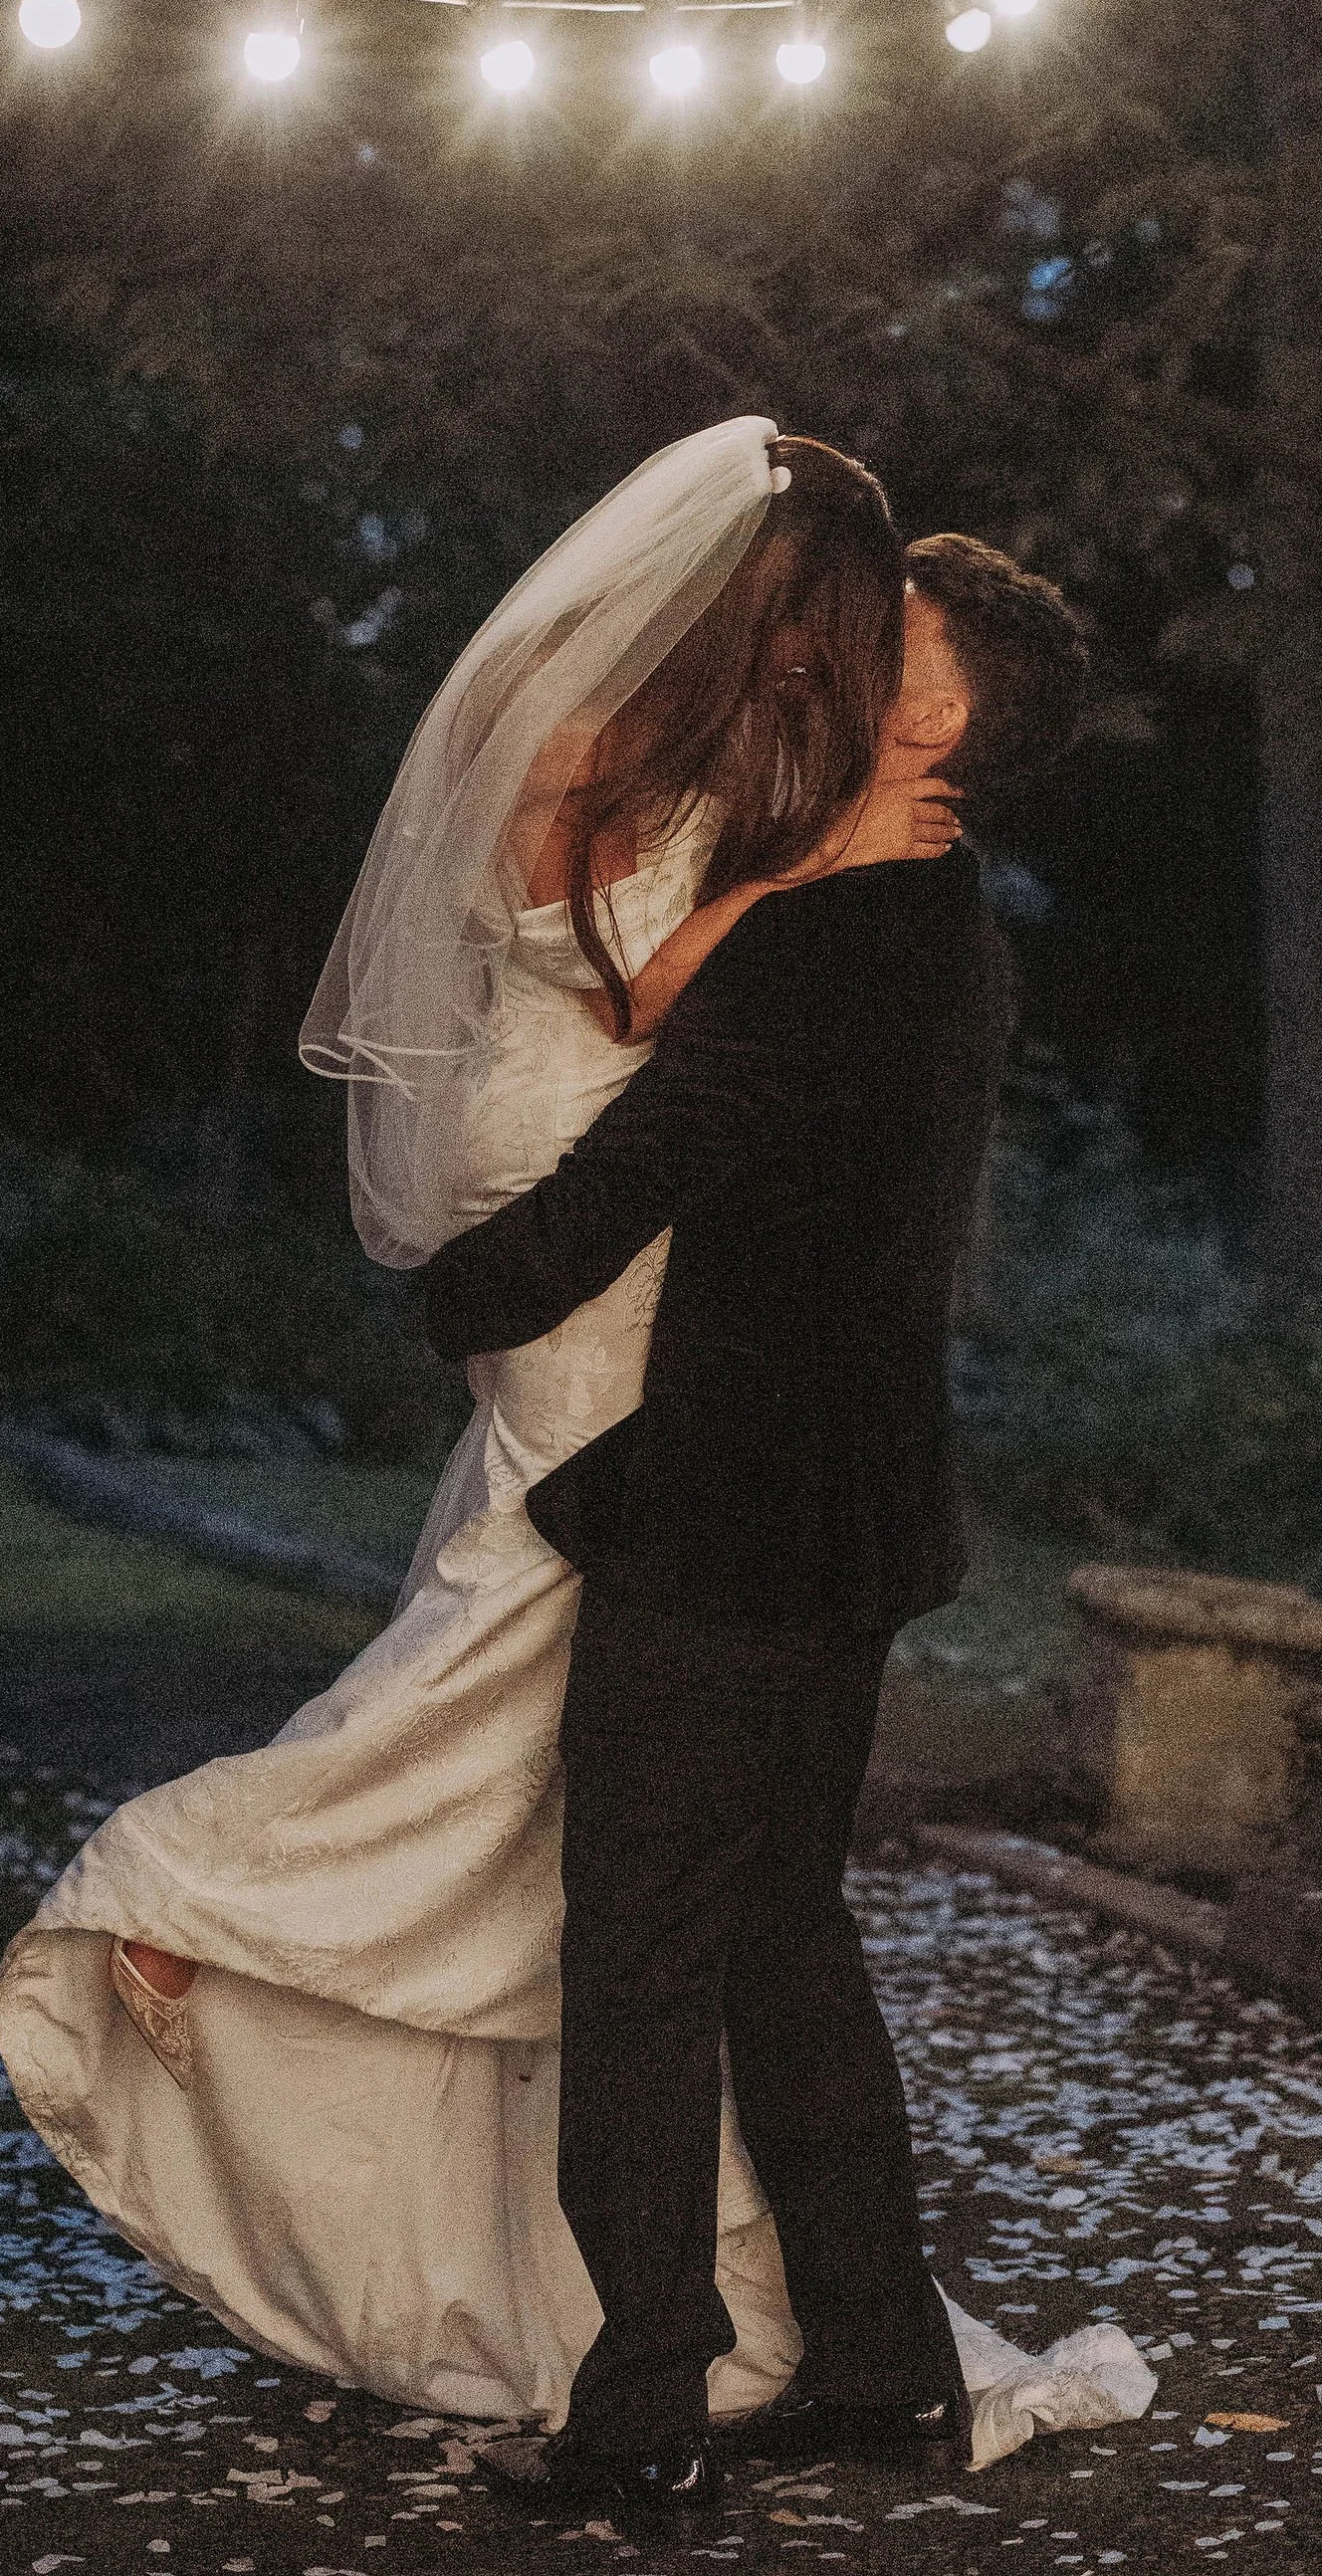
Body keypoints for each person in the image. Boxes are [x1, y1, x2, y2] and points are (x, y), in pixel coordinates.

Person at [0, 419, 931, 2423]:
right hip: (597, 1181)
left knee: (528, 1631)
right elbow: (661, 1004)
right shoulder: (691, 777)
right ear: (773, 605)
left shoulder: (551, 713)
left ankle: (275, 1957)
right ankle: (188, 1886)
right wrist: (823, 871)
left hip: (529, 1145)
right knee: (522, 1616)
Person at [418, 525, 1093, 2523]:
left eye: (888, 637)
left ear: (938, 715)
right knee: (783, 1938)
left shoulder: (831, 939)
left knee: (636, 1951)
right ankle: (881, 2371)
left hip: (736, 1511)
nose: (840, 645)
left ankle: (640, 2415)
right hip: (861, 1502)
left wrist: (440, 1291)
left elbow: (644, 1167)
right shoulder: (943, 914)